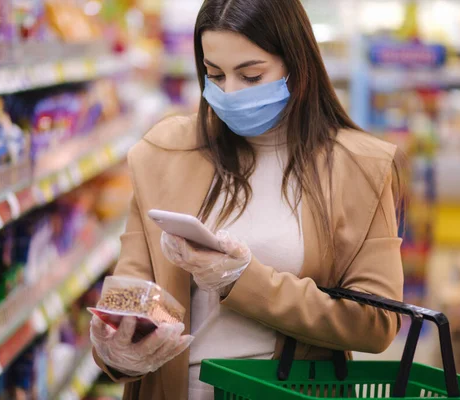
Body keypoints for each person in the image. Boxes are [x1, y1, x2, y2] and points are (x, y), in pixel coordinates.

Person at [91, 0, 406, 399]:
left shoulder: (357, 167)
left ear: (297, 64)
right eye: (215, 75)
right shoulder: (163, 154)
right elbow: (131, 291)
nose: (229, 94)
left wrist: (243, 280)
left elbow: (376, 323)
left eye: (251, 75)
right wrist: (116, 349)